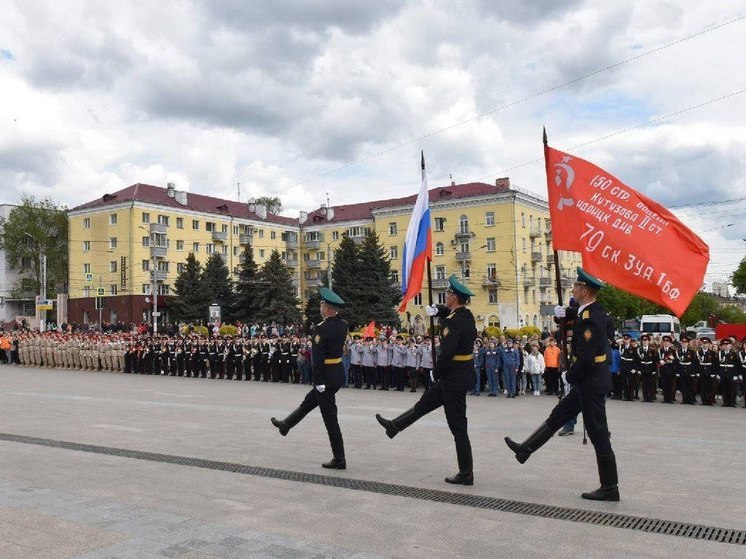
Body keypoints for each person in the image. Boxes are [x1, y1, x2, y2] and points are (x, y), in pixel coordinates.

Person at [504, 267, 620, 501]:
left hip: (590, 380)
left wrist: (571, 375)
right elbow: (572, 315)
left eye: (577, 286)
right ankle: (525, 449)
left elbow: (587, 357)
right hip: (587, 381)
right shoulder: (586, 311)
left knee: (598, 432)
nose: (574, 289)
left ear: (585, 290)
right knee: (558, 416)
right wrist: (561, 314)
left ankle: (610, 487)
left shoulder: (591, 317)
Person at [375, 275, 478, 485]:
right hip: (459, 375)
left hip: (452, 378)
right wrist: (437, 311)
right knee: (424, 404)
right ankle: (395, 426)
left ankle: (466, 472)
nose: (446, 297)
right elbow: (452, 317)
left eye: (448, 294)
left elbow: (447, 352)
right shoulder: (466, 316)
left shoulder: (452, 323)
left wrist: (436, 372)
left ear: (454, 297)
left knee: (458, 426)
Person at [270, 287, 349, 469]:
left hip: (326, 379)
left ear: (327, 308)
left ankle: (339, 459)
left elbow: (318, 358)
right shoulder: (342, 324)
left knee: (330, 420)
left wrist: (319, 381)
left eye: (322, 304)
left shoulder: (322, 329)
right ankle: (286, 424)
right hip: (336, 374)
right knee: (308, 402)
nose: (320, 306)